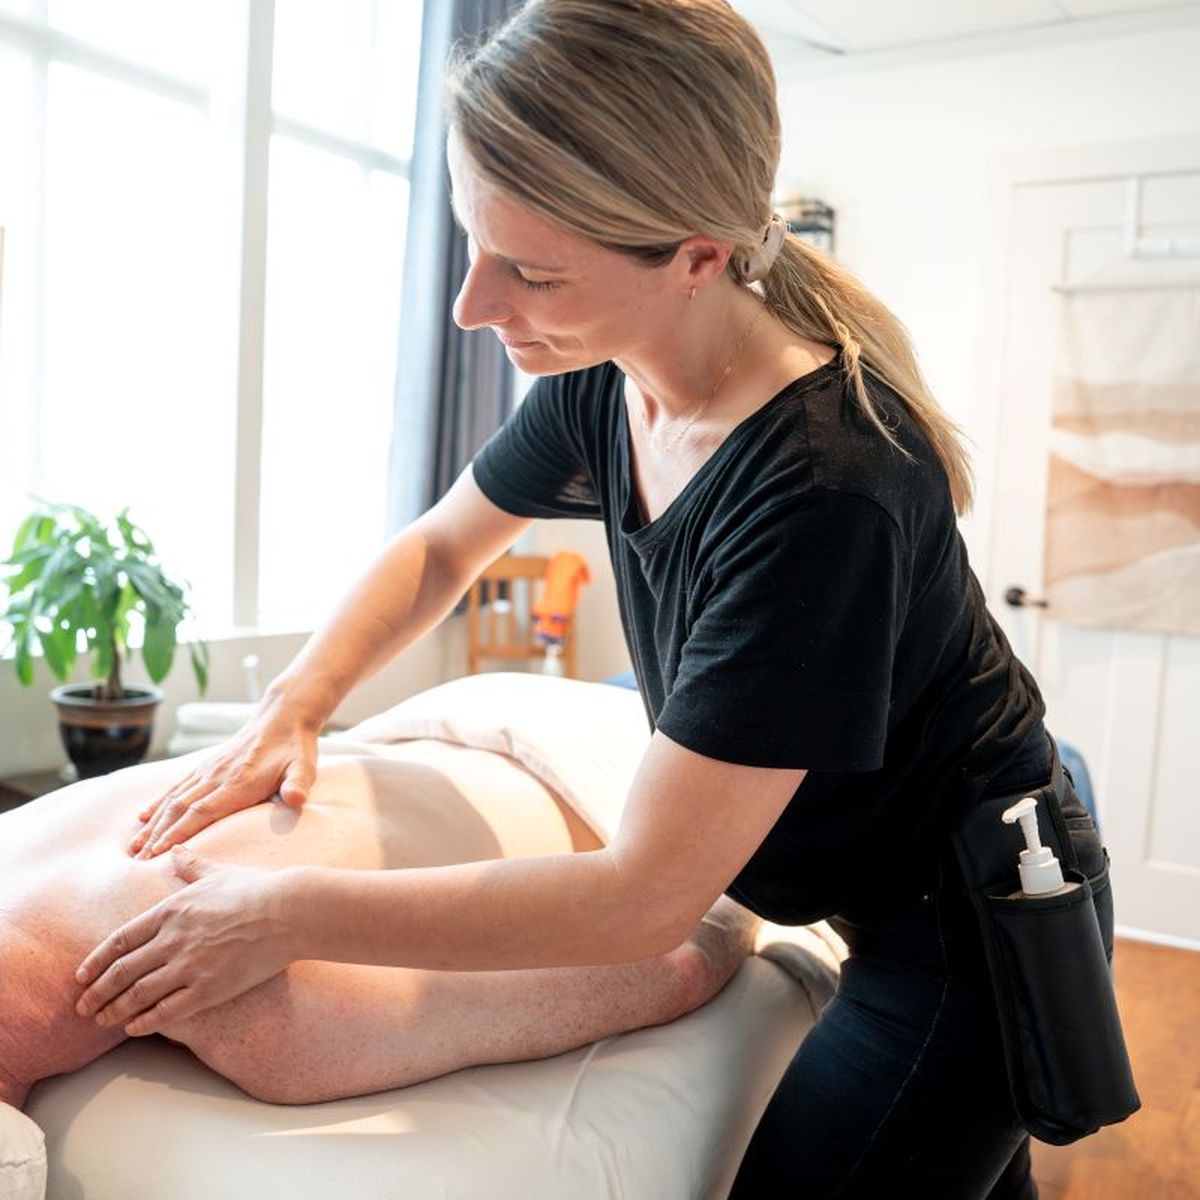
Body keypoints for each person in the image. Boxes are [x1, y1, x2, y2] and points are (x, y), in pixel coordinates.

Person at [72, 1, 1112, 1195]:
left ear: (698, 258)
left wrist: (287, 913)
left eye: (532, 270)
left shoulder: (830, 490)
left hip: (959, 927)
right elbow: (438, 550)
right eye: (473, 243)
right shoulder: (604, 382)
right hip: (856, 875)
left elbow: (640, 902)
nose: (473, 304)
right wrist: (297, 704)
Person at [0, 729, 759, 1112]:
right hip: (494, 725)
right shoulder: (19, 833)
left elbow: (680, 947)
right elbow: (681, 952)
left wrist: (751, 893)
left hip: (606, 750)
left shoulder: (256, 1006)